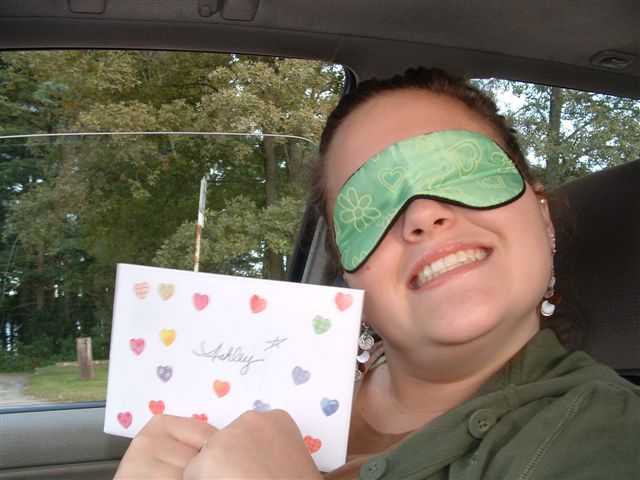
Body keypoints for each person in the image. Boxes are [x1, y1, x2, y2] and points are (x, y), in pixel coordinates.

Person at [115, 68, 639, 479]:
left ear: (542, 215)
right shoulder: (268, 384)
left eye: (463, 169)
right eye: (369, 206)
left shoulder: (607, 435)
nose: (423, 214)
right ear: (348, 273)